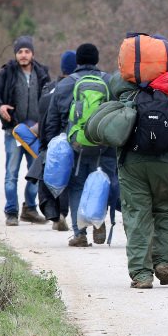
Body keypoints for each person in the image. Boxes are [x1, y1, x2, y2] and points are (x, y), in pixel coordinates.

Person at [111, 58, 168, 289]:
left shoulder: (126, 89)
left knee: (137, 213)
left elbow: (113, 123)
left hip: (132, 161)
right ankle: (163, 262)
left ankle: (142, 274)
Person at [44, 44, 120, 247]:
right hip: (104, 145)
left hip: (75, 145)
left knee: (77, 186)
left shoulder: (66, 84)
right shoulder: (109, 81)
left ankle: (79, 233)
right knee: (102, 182)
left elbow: (52, 119)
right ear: (97, 59)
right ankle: (98, 221)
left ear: (77, 60)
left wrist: (52, 144)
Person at [0, 36, 51, 226]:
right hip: (13, 131)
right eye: (20, 52)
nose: (23, 55)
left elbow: (50, 98)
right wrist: (0, 106)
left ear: (32, 54)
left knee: (36, 173)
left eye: (27, 51)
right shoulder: (7, 72)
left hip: (35, 133)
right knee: (11, 173)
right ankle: (11, 212)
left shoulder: (42, 73)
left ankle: (30, 209)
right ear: (15, 54)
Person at [27, 50, 77, 231]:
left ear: (63, 68)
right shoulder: (79, 87)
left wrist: (44, 145)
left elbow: (43, 118)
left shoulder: (49, 88)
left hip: (51, 140)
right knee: (70, 179)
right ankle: (64, 214)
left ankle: (55, 214)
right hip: (73, 139)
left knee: (53, 176)